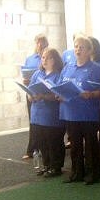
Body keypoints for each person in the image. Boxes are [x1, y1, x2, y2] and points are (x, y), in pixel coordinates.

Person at [60, 36, 100, 185]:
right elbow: (60, 86)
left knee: (91, 145)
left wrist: (91, 94)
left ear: (89, 50)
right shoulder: (67, 67)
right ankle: (77, 172)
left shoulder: (96, 69)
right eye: (76, 46)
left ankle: (93, 174)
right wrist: (58, 94)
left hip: (87, 113)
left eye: (81, 47)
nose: (78, 49)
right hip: (70, 112)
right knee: (75, 145)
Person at [28, 48, 65, 177]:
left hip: (51, 115)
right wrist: (31, 96)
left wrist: (43, 96)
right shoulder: (37, 74)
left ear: (54, 60)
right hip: (37, 114)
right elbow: (30, 90)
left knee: (53, 141)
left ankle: (56, 166)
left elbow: (59, 95)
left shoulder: (59, 75)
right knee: (42, 141)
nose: (44, 60)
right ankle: (47, 165)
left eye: (48, 57)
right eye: (43, 57)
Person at [22, 34, 49, 159]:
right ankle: (32, 149)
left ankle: (44, 149)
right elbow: (26, 75)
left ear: (46, 43)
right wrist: (26, 81)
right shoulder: (30, 59)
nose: (40, 44)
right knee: (33, 121)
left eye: (42, 42)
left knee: (44, 123)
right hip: (32, 92)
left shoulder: (50, 56)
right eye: (37, 42)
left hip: (45, 93)